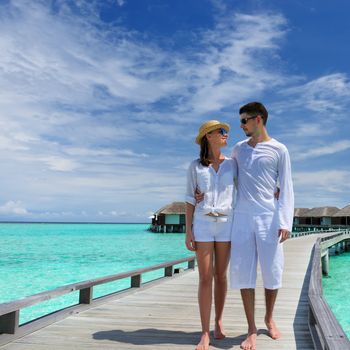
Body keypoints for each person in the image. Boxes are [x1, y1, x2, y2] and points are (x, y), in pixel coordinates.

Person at [230, 102, 294, 350]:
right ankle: (251, 328)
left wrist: (285, 221)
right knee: (243, 271)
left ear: (258, 119)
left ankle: (269, 317)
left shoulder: (279, 149)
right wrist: (202, 191)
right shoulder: (238, 149)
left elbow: (287, 187)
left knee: (272, 270)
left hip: (269, 217)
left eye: (244, 120)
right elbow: (225, 174)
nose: (241, 125)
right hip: (242, 217)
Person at [185, 120, 237, 350]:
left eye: (225, 132)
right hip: (203, 224)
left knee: (221, 276)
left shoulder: (233, 164)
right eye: (221, 132)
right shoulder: (195, 167)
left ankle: (218, 321)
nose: (226, 134)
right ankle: (204, 332)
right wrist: (188, 230)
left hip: (227, 224)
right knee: (205, 278)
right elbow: (189, 199)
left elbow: (246, 190)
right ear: (209, 136)